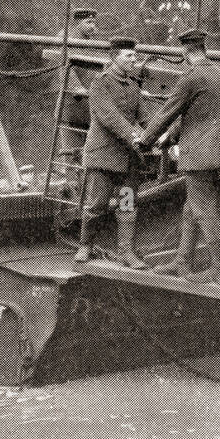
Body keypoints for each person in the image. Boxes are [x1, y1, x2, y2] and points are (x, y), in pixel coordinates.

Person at [139, 29, 220, 282]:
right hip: (217, 148)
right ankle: (182, 261)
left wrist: (146, 139)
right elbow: (196, 113)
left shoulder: (190, 78)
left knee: (203, 209)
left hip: (199, 153)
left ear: (185, 51)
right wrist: (169, 137)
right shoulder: (218, 74)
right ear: (203, 48)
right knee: (190, 208)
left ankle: (218, 269)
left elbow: (168, 111)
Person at [76, 35, 148, 268]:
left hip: (127, 160)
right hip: (104, 158)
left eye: (134, 55)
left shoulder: (134, 86)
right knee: (97, 205)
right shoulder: (100, 83)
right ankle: (85, 245)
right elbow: (109, 116)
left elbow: (145, 118)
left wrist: (160, 135)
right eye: (129, 56)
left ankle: (126, 253)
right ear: (114, 57)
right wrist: (134, 136)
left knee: (127, 204)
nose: (134, 60)